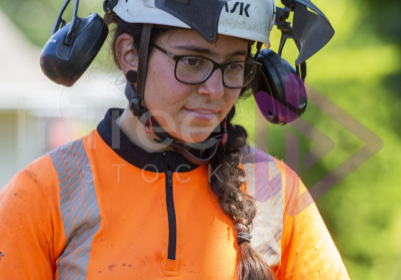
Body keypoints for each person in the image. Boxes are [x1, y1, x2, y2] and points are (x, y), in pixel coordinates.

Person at [0, 0, 350, 279]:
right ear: (129, 55)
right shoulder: (41, 194)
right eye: (193, 61)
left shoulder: (279, 192)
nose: (214, 91)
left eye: (233, 65)